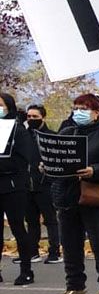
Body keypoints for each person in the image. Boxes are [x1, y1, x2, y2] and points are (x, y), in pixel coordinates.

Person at [50, 93, 99, 294]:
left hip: (94, 197)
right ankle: (75, 287)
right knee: (70, 244)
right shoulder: (67, 132)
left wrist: (94, 170)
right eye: (76, 108)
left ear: (97, 112)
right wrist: (47, 165)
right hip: (67, 196)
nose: (78, 112)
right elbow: (57, 159)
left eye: (84, 108)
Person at [1, 92, 38, 284]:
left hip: (14, 186)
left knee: (17, 227)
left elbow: (23, 160)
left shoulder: (18, 130)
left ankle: (26, 270)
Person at [24, 105, 61, 265]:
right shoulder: (24, 136)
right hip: (27, 185)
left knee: (51, 220)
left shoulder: (51, 136)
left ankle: (54, 252)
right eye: (29, 116)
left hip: (46, 184)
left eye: (35, 116)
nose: (31, 119)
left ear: (43, 117)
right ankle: (33, 251)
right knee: (31, 221)